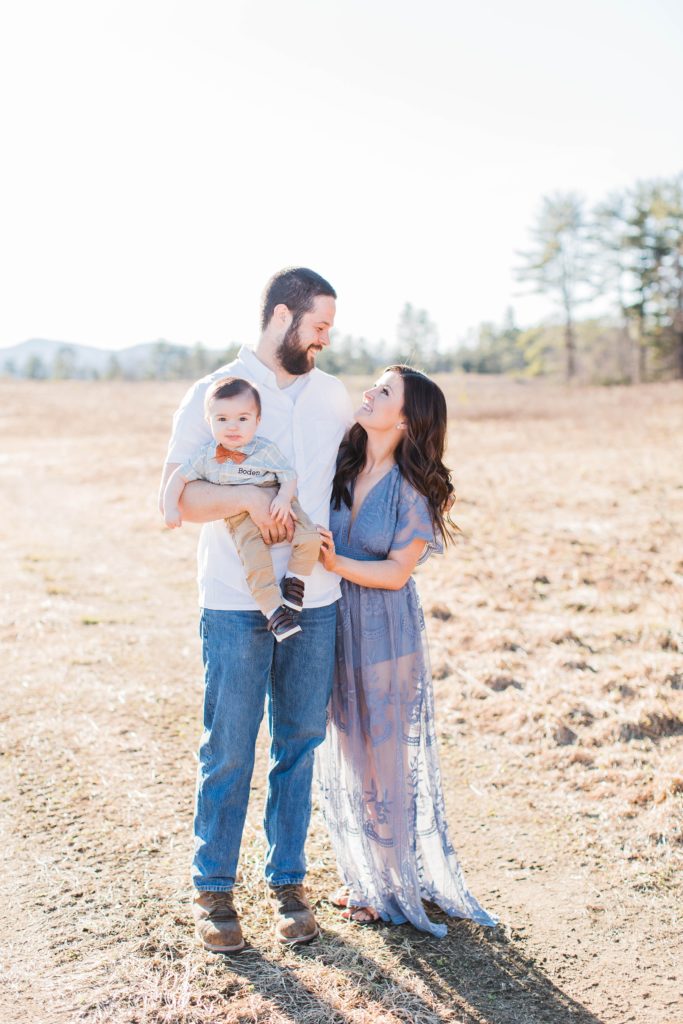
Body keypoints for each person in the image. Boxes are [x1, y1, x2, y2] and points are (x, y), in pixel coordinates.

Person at [159, 267, 352, 953]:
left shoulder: (332, 396)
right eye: (318, 325)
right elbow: (177, 502)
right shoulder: (215, 394)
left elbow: (358, 474)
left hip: (317, 600)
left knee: (298, 745)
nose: (327, 338)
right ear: (280, 317)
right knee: (230, 749)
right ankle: (213, 888)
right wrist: (246, 501)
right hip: (236, 602)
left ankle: (288, 884)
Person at [316, 364, 498, 937]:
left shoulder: (412, 488)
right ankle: (366, 877)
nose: (369, 392)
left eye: (385, 391)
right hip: (333, 621)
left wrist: (332, 562)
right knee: (348, 748)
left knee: (384, 756)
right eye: (375, 384)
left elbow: (396, 574)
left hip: (384, 628)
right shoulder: (341, 465)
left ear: (406, 418)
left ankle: (394, 882)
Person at [163, 375, 322, 642]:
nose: (232, 427)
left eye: (243, 418)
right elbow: (177, 478)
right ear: (209, 422)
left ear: (257, 421)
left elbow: (288, 475)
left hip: (280, 502)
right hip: (240, 518)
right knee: (255, 562)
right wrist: (170, 509)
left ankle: (295, 581)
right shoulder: (206, 456)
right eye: (222, 419)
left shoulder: (265, 449)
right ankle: (274, 611)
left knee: (309, 537)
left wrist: (283, 499)